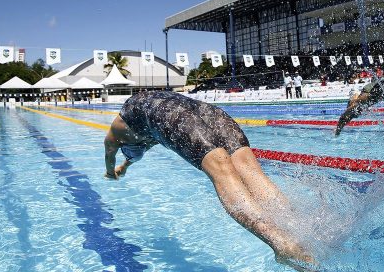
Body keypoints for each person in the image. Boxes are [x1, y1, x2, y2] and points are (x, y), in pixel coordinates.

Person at [103, 91, 313, 265]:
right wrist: (125, 166)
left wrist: (111, 172)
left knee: (222, 171)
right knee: (249, 169)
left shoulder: (114, 136)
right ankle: (300, 229)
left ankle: (282, 243)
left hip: (173, 116)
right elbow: (142, 147)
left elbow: (109, 156)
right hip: (206, 111)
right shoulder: (141, 118)